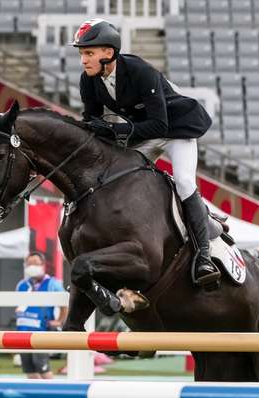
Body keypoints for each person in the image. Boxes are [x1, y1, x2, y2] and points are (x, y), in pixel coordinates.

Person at [73, 18, 220, 288]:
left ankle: (203, 256)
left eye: (89, 53)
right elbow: (91, 124)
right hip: (144, 134)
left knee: (185, 182)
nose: (84, 60)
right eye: (82, 54)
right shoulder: (89, 81)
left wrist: (112, 130)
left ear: (108, 53)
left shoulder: (140, 71)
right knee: (113, 178)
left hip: (177, 130)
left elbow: (160, 125)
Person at [15, 252, 66, 379]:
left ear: (43, 265)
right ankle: (33, 397)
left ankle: (53, 396)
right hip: (22, 331)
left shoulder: (52, 284)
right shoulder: (22, 284)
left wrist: (59, 321)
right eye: (29, 263)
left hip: (41, 331)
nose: (32, 266)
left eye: (35, 263)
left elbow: (65, 304)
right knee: (29, 368)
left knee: (41, 365)